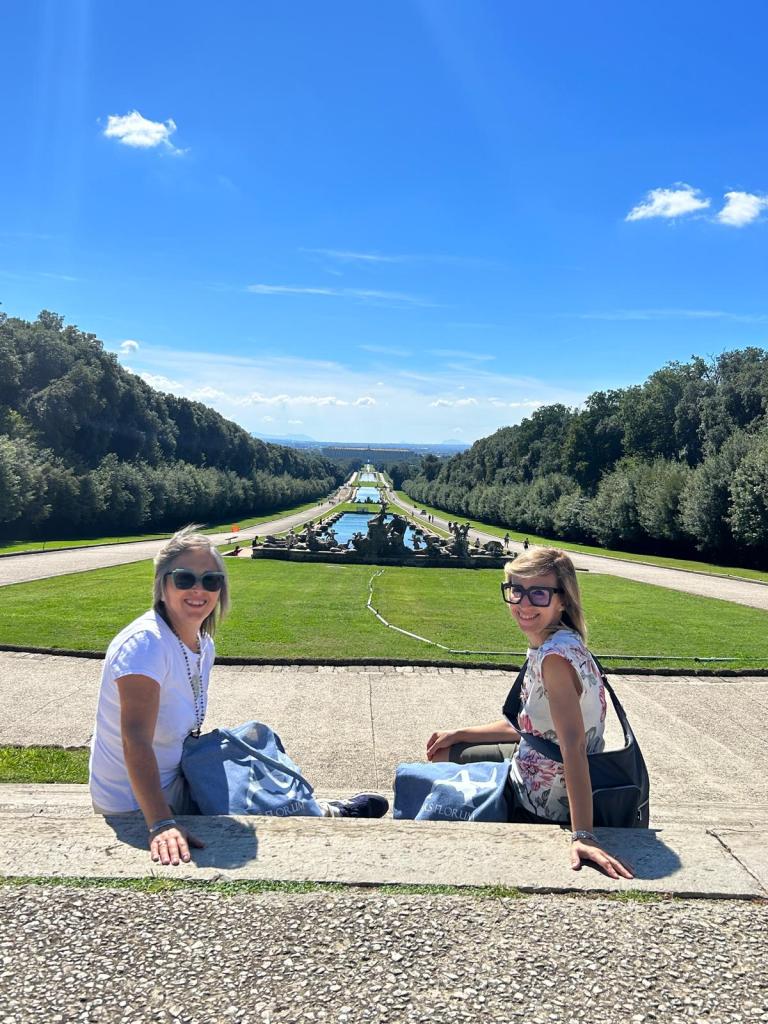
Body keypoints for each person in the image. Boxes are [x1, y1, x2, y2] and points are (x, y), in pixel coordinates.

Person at [89, 526, 388, 867]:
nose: (198, 590)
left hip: (175, 777)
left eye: (211, 580)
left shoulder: (202, 644)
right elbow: (135, 739)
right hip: (134, 799)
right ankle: (327, 812)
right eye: (184, 579)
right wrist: (161, 822)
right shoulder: (147, 643)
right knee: (250, 787)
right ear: (162, 584)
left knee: (254, 748)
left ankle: (319, 808)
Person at [425, 547, 632, 880]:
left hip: (542, 796)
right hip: (543, 766)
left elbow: (573, 746)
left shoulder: (553, 659)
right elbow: (534, 729)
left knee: (441, 760)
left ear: (562, 599)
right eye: (516, 590)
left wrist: (583, 835)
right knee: (448, 746)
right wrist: (460, 732)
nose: (523, 603)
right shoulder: (565, 641)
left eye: (538, 593)